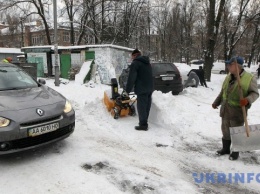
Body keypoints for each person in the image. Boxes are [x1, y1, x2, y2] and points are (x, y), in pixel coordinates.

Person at [212, 56, 259, 160]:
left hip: (237, 112)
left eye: (230, 64)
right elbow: (223, 91)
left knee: (237, 132)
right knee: (225, 131)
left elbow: (255, 93)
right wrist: (216, 102)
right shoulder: (228, 76)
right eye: (228, 64)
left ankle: (235, 152)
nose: (228, 66)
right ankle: (225, 149)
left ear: (238, 66)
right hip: (225, 110)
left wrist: (247, 100)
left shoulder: (249, 78)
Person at [126, 49, 153, 131]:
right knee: (147, 106)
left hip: (142, 88)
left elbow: (131, 78)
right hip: (150, 87)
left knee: (141, 106)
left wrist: (127, 90)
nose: (131, 58)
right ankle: (145, 122)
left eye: (132, 56)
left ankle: (143, 125)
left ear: (134, 55)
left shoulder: (135, 63)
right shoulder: (147, 62)